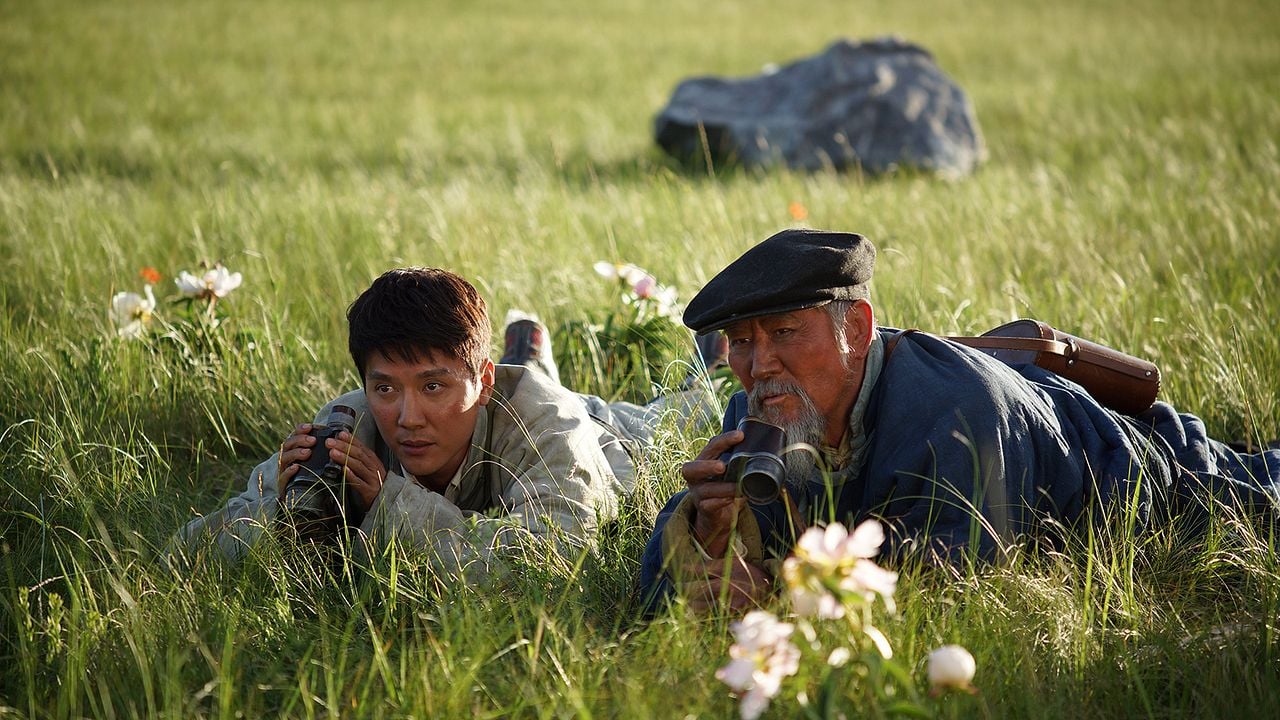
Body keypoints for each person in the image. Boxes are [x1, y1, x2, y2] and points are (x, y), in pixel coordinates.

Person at [638, 228, 1280, 612]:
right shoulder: (768, 409)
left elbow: (946, 594)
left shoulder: (954, 416)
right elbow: (661, 599)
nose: (759, 365)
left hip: (1169, 480)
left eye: (784, 332)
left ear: (856, 329)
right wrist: (707, 530)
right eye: (741, 343)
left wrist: (772, 593)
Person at [175, 267, 670, 580]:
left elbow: (547, 566)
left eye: (433, 386)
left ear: (483, 380)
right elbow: (187, 553)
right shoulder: (350, 424)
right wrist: (278, 515)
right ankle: (525, 347)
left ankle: (699, 360)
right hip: (499, 398)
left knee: (692, 403)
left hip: (612, 432)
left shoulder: (553, 428)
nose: (407, 419)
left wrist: (387, 503)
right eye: (385, 388)